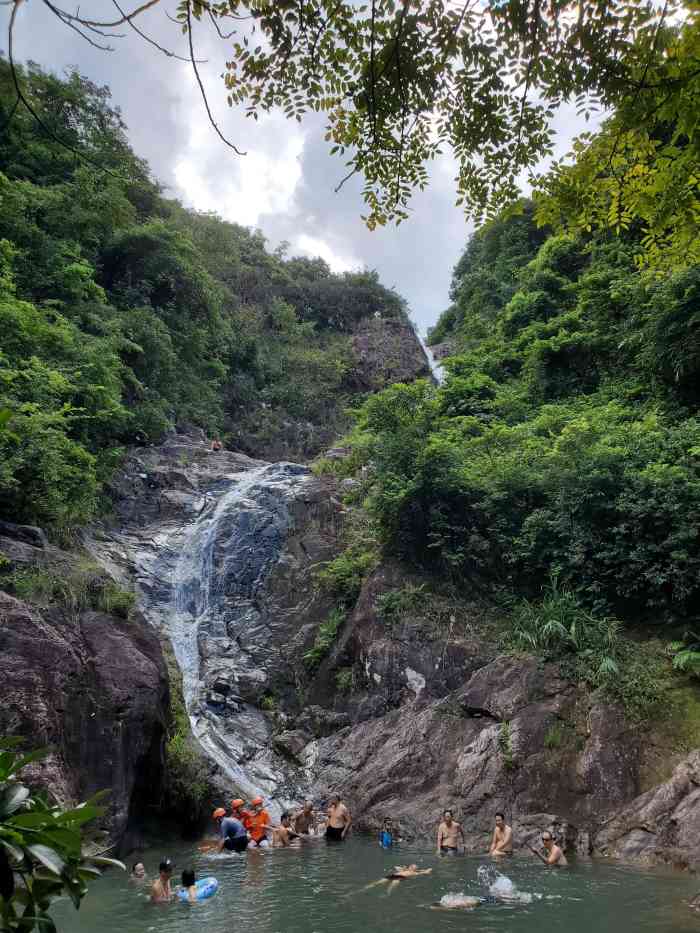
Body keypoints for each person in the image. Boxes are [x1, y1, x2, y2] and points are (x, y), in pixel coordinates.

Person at [363, 864, 432, 895]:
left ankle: (387, 894)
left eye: (415, 867)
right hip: (394, 875)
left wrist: (427, 870)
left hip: (400, 877)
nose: (414, 868)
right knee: (378, 883)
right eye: (413, 867)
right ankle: (366, 888)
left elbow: (425, 872)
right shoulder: (406, 869)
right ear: (410, 867)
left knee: (391, 886)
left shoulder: (415, 873)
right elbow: (396, 867)